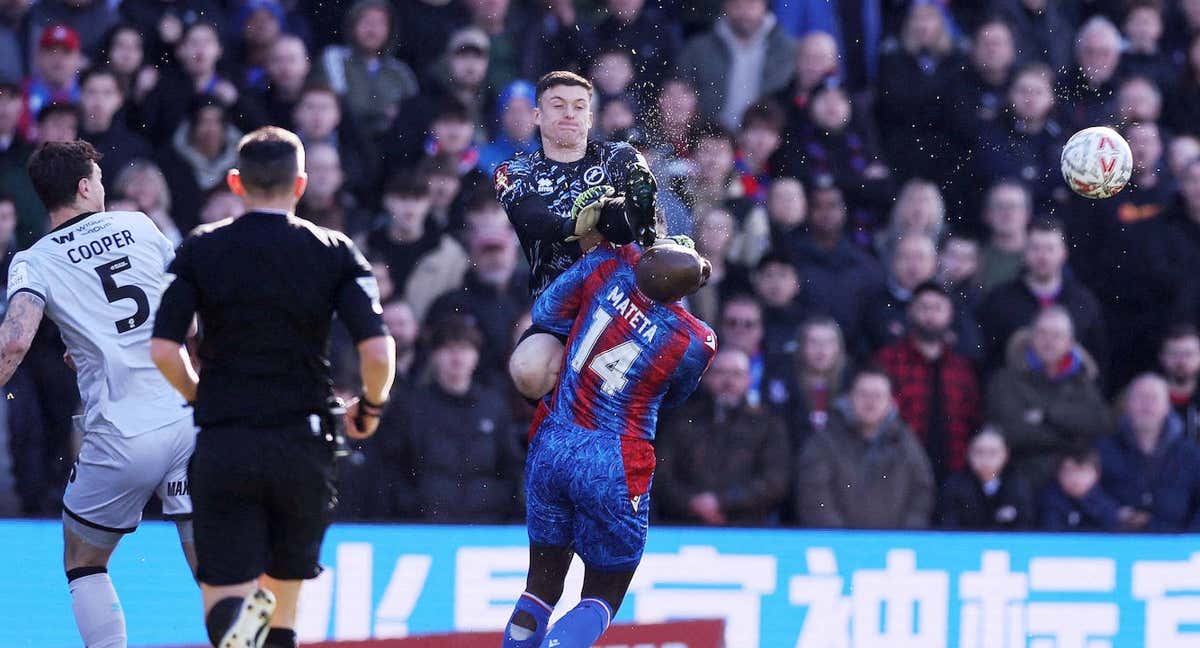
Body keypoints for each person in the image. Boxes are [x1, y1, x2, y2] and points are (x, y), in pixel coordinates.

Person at [150, 127, 395, 648]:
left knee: (225, 599)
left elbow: (163, 349)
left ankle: (238, 619)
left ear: (235, 183)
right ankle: (261, 622)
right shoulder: (333, 250)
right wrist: (369, 408)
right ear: (300, 184)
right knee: (284, 609)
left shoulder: (202, 248)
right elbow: (378, 350)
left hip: (227, 439)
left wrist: (200, 394)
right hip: (302, 442)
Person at [0, 140, 196, 648]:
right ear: (86, 186)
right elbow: (188, 316)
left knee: (83, 560)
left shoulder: (33, 259)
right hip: (187, 417)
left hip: (121, 434)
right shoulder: (140, 225)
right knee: (216, 570)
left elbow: (16, 339)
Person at [502, 238, 715, 648]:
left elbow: (547, 312)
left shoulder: (610, 263)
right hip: (615, 458)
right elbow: (677, 395)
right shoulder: (695, 340)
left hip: (555, 437)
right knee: (603, 593)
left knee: (540, 586)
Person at [496, 71, 658, 401]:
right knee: (527, 370)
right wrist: (576, 227)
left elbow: (642, 207)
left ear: (590, 117)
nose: (570, 114)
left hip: (624, 304)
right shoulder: (514, 171)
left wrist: (625, 210)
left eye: (579, 106)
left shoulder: (617, 156)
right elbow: (531, 219)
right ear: (537, 116)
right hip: (557, 310)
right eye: (558, 105)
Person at [656, 348, 790, 526]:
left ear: (749, 380)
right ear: (706, 378)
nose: (728, 381)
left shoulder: (768, 424)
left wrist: (722, 502)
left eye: (736, 374)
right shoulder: (682, 420)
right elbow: (661, 475)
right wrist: (692, 502)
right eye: (720, 373)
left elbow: (774, 481)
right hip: (684, 524)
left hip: (750, 529)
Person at [984, 306, 1112, 491]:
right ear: (1031, 338)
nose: (1049, 341)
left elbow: (1100, 423)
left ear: (1070, 343)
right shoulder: (1005, 380)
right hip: (1024, 484)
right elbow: (1011, 432)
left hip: (1074, 487)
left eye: (1057, 335)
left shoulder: (1083, 382)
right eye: (1042, 333)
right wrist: (1072, 438)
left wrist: (1046, 415)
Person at [796, 367, 936, 529]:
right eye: (863, 394)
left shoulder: (906, 443)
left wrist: (905, 536)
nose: (870, 402)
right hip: (837, 548)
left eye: (878, 396)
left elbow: (922, 494)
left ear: (890, 402)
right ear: (850, 398)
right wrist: (841, 540)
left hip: (895, 548)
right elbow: (814, 498)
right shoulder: (824, 442)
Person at [874, 281, 982, 485]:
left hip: (954, 472)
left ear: (949, 313)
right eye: (923, 308)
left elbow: (973, 419)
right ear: (910, 311)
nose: (930, 316)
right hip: (901, 471)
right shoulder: (888, 361)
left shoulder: (962, 367)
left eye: (937, 308)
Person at [1097, 374, 1200, 531]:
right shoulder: (1102, 450)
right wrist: (1112, 513)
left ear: (1167, 406)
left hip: (1176, 547)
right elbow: (1086, 494)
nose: (1146, 405)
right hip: (1115, 542)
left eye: (1153, 399)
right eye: (1140, 398)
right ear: (1128, 404)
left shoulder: (1190, 454)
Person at [939, 426, 1036, 530]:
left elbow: (1026, 526)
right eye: (979, 452)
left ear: (1006, 455)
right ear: (968, 453)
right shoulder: (954, 486)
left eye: (993, 453)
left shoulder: (1018, 485)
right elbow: (949, 528)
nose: (985, 460)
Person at [1160, 324, 1200, 441]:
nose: (1181, 361)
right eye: (1174, 353)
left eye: (1188, 354)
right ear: (1162, 357)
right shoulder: (1140, 398)